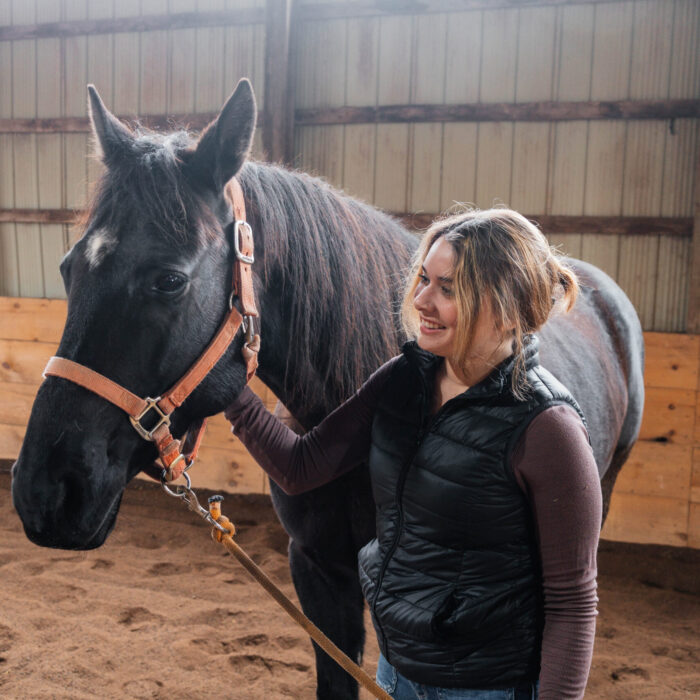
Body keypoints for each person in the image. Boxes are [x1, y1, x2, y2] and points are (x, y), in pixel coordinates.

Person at [225, 208, 602, 699]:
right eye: (424, 279)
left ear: (506, 308)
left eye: (448, 289)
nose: (422, 300)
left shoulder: (550, 429)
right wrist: (230, 391)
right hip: (397, 673)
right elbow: (302, 467)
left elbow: (572, 603)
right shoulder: (404, 379)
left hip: (487, 688)